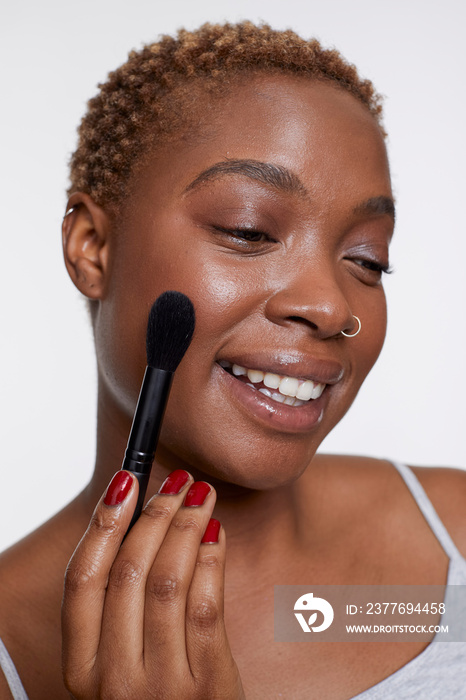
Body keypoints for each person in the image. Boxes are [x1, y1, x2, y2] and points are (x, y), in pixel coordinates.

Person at [0, 20, 465, 700]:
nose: (332, 307)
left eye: (367, 259)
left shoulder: (453, 531)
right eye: (248, 230)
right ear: (93, 247)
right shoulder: (12, 647)